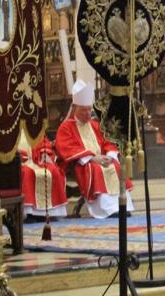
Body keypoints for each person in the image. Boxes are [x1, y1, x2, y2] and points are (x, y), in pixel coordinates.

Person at [55, 79, 134, 219]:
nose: (87, 113)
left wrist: (109, 155)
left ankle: (122, 206)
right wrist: (93, 158)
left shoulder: (95, 124)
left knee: (115, 166)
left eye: (89, 109)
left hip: (102, 159)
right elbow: (67, 148)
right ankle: (107, 209)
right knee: (96, 169)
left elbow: (107, 142)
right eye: (83, 110)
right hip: (83, 163)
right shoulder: (66, 127)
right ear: (74, 108)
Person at [18, 134, 68, 221]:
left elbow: (43, 142)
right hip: (19, 163)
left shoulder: (33, 127)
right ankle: (29, 213)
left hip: (36, 161)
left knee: (53, 170)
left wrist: (45, 154)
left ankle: (47, 213)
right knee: (28, 172)